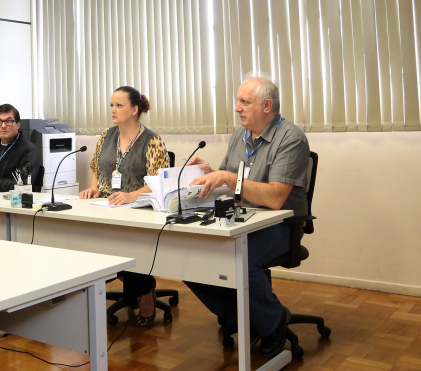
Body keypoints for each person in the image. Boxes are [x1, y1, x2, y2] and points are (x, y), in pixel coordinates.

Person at [185, 76, 309, 358]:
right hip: (243, 218)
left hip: (281, 225)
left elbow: (277, 197)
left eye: (245, 102)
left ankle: (273, 320)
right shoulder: (239, 136)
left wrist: (228, 177)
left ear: (267, 106)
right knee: (190, 253)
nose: (237, 108)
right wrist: (210, 173)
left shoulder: (291, 138)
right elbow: (230, 180)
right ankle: (240, 315)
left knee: (243, 258)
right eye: (237, 101)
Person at [79, 86, 170, 326]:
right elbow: (96, 170)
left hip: (138, 209)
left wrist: (132, 196)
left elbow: (161, 182)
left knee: (130, 246)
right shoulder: (105, 136)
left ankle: (144, 290)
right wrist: (93, 189)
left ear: (135, 109)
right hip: (106, 206)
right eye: (111, 105)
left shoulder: (152, 141)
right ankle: (134, 289)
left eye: (119, 105)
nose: (113, 110)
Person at [0, 104, 42, 194]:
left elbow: (24, 182)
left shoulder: (29, 150)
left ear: (17, 124)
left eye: (8, 121)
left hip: (16, 202)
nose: (3, 126)